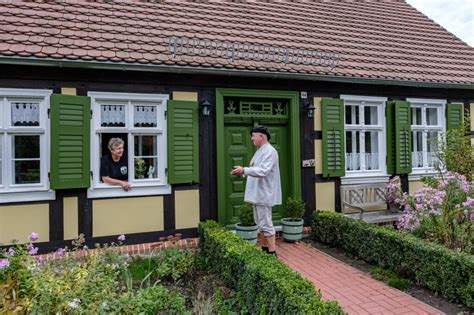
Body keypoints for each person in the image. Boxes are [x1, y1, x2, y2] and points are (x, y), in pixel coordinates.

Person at [231, 125, 281, 256]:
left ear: (262, 136)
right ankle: (265, 250)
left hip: (264, 194)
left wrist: (244, 170)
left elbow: (263, 171)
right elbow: (255, 168)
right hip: (258, 194)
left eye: (253, 135)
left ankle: (272, 253)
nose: (252, 138)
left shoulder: (270, 151)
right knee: (261, 223)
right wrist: (242, 171)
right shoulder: (260, 151)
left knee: (266, 223)